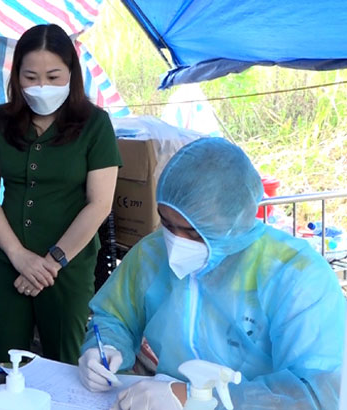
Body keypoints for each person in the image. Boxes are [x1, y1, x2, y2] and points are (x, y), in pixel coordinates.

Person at [78, 138, 345, 409]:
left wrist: (195, 397)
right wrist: (105, 349)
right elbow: (114, 316)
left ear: (234, 220)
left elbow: (317, 392)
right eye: (167, 224)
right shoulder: (151, 254)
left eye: (193, 232)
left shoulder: (295, 274)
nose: (174, 242)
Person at [0, 23, 121, 364]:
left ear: (71, 74)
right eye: (30, 77)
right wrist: (18, 256)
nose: (42, 86)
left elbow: (99, 203)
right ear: (16, 76)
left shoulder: (95, 124)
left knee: (68, 364)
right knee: (6, 363)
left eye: (53, 77)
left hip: (68, 268)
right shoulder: (1, 120)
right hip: (11, 262)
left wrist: (52, 262)